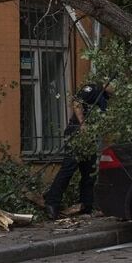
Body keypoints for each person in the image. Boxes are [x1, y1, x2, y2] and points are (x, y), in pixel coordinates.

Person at [43, 80, 114, 220]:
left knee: (89, 173)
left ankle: (87, 206)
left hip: (90, 139)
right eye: (115, 86)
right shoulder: (92, 89)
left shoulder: (105, 98)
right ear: (107, 82)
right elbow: (76, 102)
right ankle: (51, 202)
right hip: (77, 134)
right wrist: (83, 124)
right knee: (68, 169)